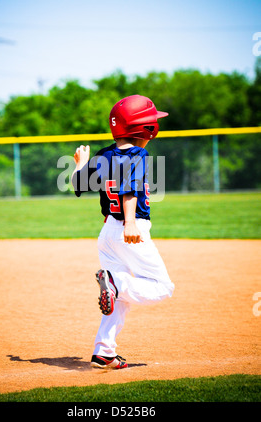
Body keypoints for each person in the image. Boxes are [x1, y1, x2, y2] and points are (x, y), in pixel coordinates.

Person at [71, 95, 175, 370]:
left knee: (118, 299)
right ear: (146, 129)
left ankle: (104, 351)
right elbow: (130, 187)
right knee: (163, 287)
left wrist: (81, 164)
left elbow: (78, 185)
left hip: (107, 233)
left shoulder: (104, 154)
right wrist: (130, 223)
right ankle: (116, 283)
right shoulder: (138, 154)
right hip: (130, 229)